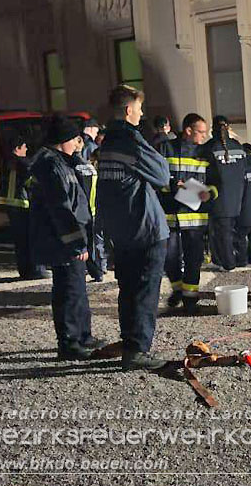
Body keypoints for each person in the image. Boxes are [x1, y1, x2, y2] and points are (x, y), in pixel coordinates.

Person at [97, 85, 172, 370]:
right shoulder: (130, 139)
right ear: (128, 110)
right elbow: (162, 174)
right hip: (145, 228)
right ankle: (138, 351)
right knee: (144, 292)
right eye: (139, 108)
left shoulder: (107, 143)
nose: (141, 114)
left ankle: (130, 343)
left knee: (127, 290)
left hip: (122, 229)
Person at [30, 116, 105, 361]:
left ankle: (83, 335)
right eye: (75, 139)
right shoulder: (52, 166)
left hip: (70, 237)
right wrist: (76, 241)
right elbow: (61, 208)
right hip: (64, 240)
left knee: (77, 288)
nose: (78, 144)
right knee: (69, 290)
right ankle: (70, 342)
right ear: (63, 140)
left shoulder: (61, 162)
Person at [158, 113, 219, 314]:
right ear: (188, 131)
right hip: (170, 214)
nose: (205, 135)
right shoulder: (165, 148)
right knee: (169, 257)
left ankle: (190, 300)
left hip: (195, 215)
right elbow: (155, 177)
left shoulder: (205, 152)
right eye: (201, 132)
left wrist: (208, 194)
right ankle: (178, 289)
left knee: (194, 259)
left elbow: (216, 182)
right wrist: (172, 186)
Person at [0, 136, 48, 280]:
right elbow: (31, 176)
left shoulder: (5, 162)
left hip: (11, 205)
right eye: (24, 147)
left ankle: (24, 270)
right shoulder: (21, 163)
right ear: (17, 148)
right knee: (30, 239)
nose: (26, 150)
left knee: (20, 242)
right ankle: (35, 270)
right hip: (22, 205)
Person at [204, 115, 246, 272]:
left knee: (222, 234)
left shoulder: (210, 147)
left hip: (219, 199)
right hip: (238, 197)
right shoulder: (238, 146)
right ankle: (240, 259)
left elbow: (205, 174)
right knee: (235, 231)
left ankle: (228, 263)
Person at [71, 135, 108, 282]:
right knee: (95, 243)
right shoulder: (91, 169)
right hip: (95, 210)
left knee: (81, 243)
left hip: (80, 212)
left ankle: (88, 271)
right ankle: (98, 270)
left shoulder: (73, 167)